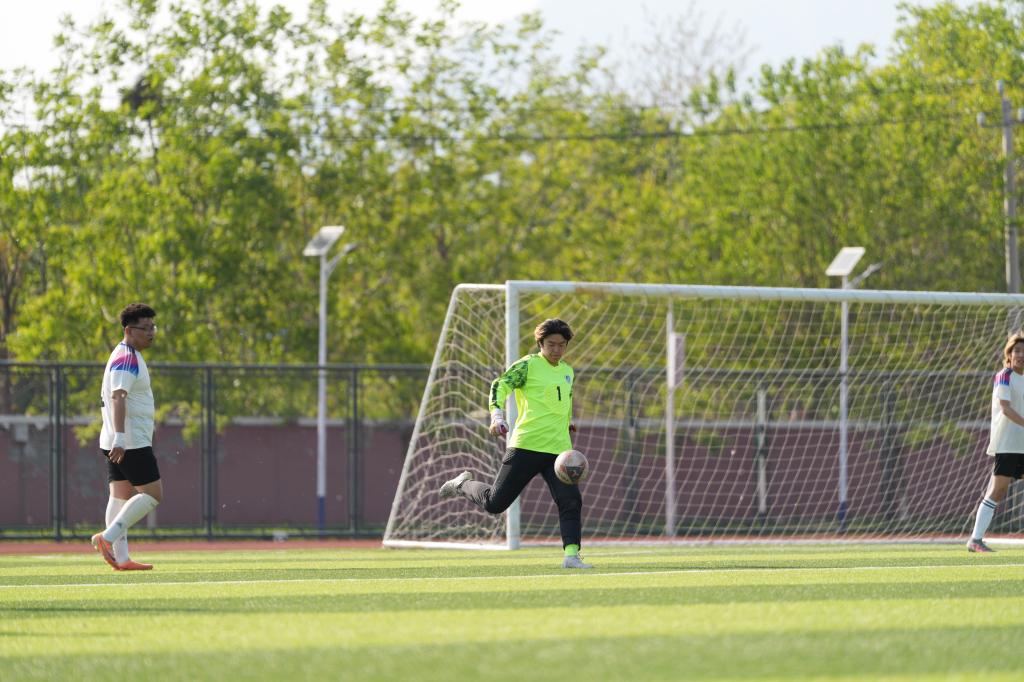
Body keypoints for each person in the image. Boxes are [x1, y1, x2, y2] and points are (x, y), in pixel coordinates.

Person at [439, 318, 592, 569]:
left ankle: (571, 556)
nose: (556, 349)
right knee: (495, 503)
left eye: (561, 345)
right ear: (540, 343)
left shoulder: (567, 371)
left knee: (571, 501)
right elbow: (499, 386)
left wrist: (568, 421)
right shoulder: (527, 365)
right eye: (551, 344)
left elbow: (562, 400)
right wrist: (497, 417)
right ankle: (462, 485)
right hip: (526, 446)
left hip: (559, 452)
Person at [90, 303, 163, 570]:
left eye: (153, 327)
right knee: (153, 495)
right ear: (129, 330)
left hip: (116, 439)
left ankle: (121, 559)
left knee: (119, 496)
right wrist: (121, 438)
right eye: (145, 328)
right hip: (129, 442)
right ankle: (107, 538)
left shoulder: (126, 354)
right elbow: (118, 397)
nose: (151, 333)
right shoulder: (126, 358)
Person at [967, 330, 1024, 553]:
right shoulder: (1004, 375)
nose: (1021, 355)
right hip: (1008, 443)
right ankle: (975, 540)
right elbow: (1005, 408)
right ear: (1009, 354)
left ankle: (975, 539)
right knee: (998, 491)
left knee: (997, 490)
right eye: (1017, 351)